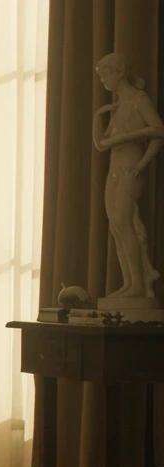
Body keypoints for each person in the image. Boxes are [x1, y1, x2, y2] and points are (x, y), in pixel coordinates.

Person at [93, 52, 164, 299]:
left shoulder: (138, 99)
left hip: (131, 167)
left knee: (124, 221)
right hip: (114, 170)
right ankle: (130, 282)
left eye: (105, 75)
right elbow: (101, 144)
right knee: (116, 226)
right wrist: (99, 116)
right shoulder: (118, 107)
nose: (103, 81)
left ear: (119, 72)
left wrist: (142, 163)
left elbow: (157, 131)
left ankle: (139, 285)